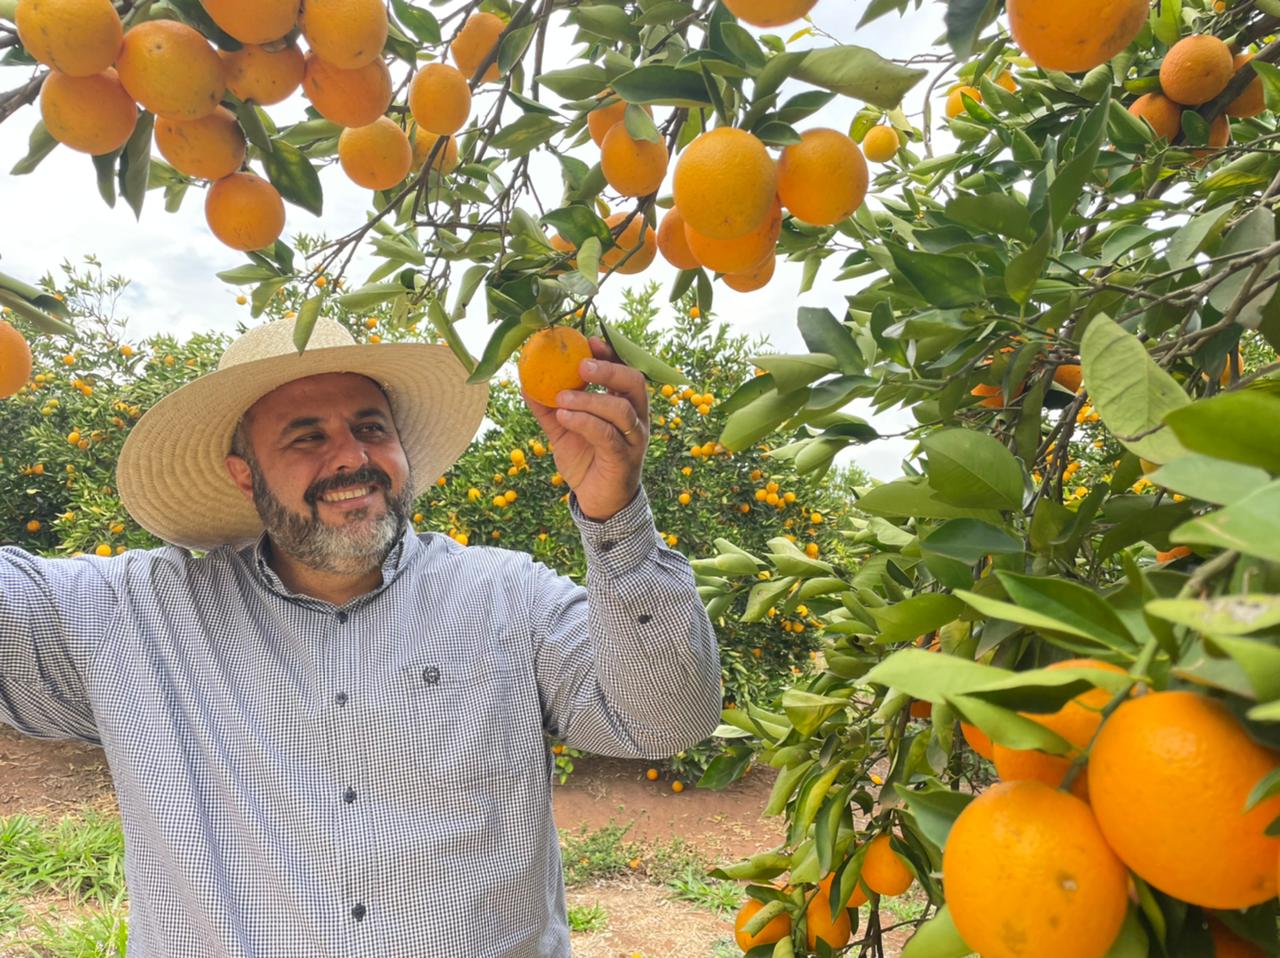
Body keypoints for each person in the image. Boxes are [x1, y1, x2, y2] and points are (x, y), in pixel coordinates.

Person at [0, 316, 722, 957]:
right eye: (306, 436)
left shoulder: (506, 596)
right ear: (243, 475)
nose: (351, 457)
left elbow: (664, 719)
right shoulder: (136, 618)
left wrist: (615, 514)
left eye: (371, 428)